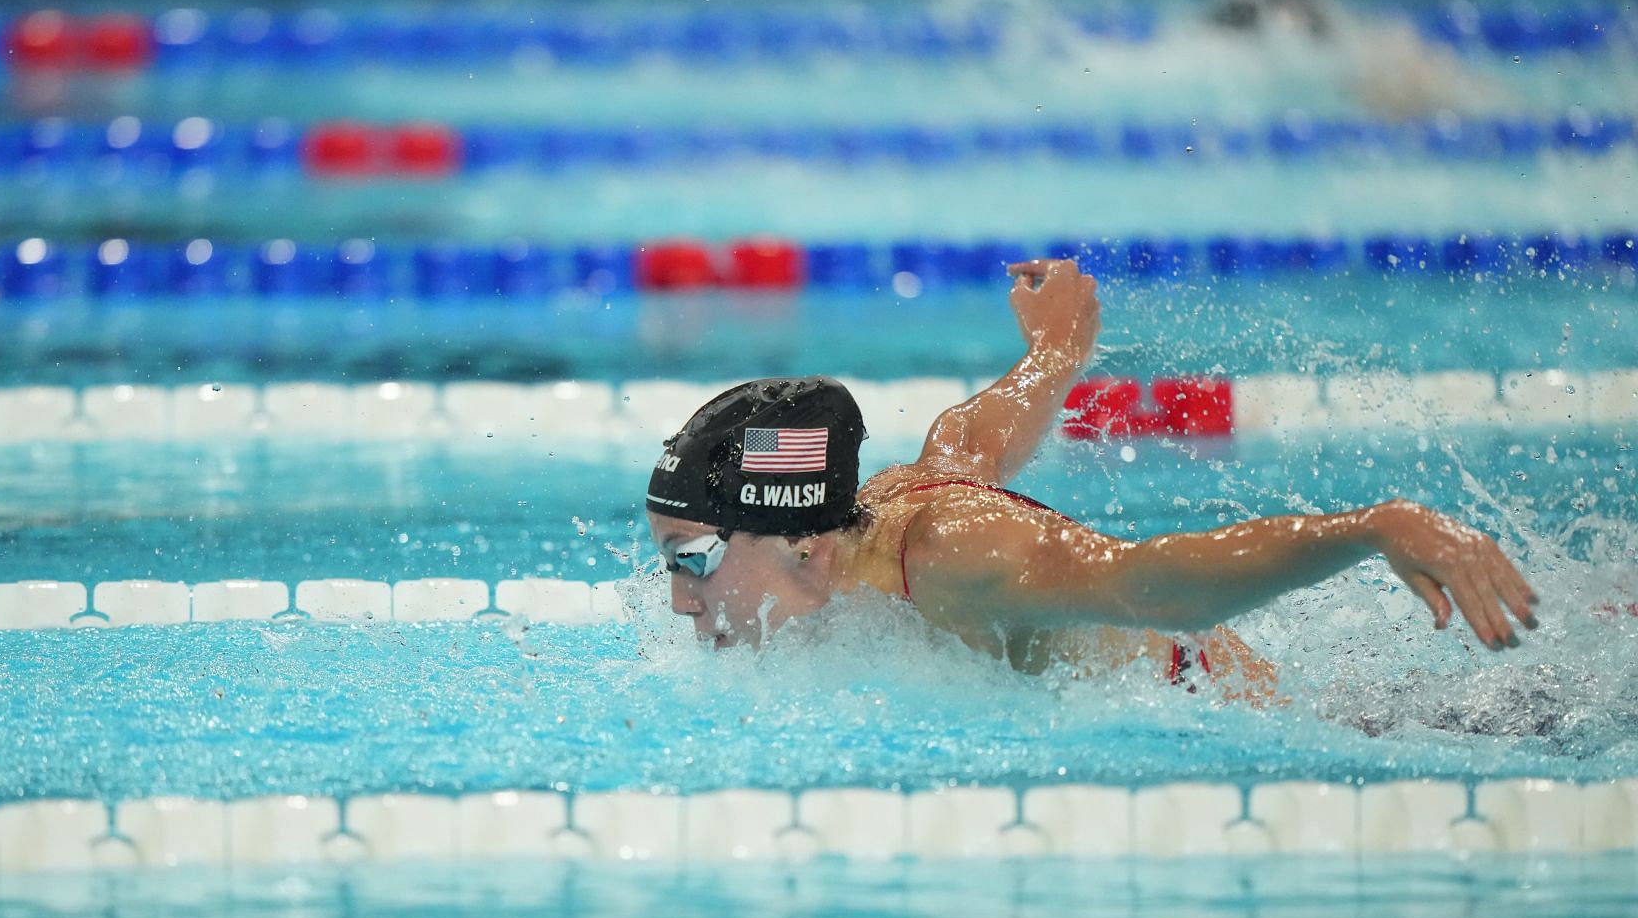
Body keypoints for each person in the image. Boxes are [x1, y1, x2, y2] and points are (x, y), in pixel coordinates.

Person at [644, 260, 1538, 696]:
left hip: (1250, 718)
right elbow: (968, 435)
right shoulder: (863, 516)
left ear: (802, 545)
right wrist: (1059, 351)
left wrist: (1373, 528)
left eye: (692, 562)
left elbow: (1148, 586)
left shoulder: (956, 554)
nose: (681, 602)